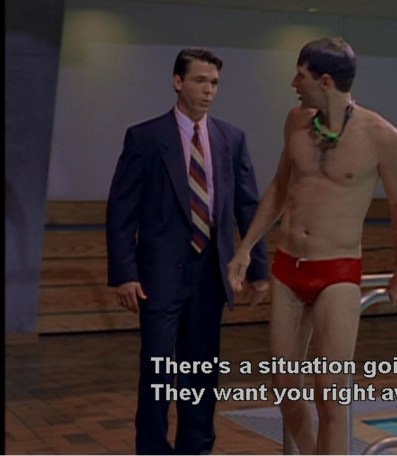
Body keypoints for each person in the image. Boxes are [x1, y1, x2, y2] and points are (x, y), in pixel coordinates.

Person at [227, 37, 397, 454]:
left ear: (325, 81)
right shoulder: (296, 122)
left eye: (301, 75)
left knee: (331, 392)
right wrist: (245, 247)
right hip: (289, 267)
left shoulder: (381, 136)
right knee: (284, 385)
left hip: (337, 271)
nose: (294, 83)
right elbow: (279, 188)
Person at [106, 47, 270, 455]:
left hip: (210, 274)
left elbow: (249, 206)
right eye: (200, 80)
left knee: (202, 372)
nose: (208, 90)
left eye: (214, 83)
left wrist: (258, 269)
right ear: (178, 82)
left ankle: (196, 450)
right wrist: (125, 273)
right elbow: (122, 211)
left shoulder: (231, 139)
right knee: (158, 372)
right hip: (159, 276)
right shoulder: (145, 138)